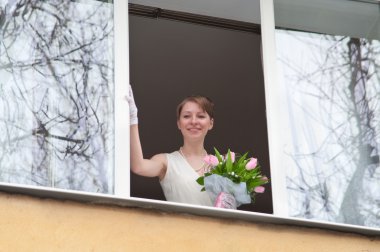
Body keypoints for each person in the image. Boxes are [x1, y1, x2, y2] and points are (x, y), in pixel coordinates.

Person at [126, 85, 214, 206]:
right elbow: (139, 167)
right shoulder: (166, 162)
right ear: (179, 123)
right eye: (187, 116)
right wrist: (132, 120)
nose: (194, 121)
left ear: (211, 123)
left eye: (201, 116)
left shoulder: (223, 165)